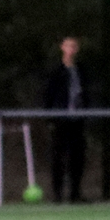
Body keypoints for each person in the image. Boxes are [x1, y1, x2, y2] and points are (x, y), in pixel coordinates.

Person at [44, 36, 88, 203]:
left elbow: (85, 94)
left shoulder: (81, 70)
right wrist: (49, 117)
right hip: (60, 120)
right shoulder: (56, 71)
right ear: (62, 47)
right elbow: (48, 94)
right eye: (68, 46)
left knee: (77, 157)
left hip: (78, 120)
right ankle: (57, 194)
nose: (71, 49)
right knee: (58, 156)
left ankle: (75, 194)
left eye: (74, 46)